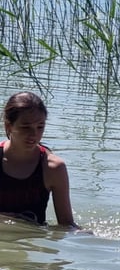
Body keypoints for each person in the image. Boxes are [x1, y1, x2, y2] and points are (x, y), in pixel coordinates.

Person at [1, 91, 78, 228]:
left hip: (34, 244)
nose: (34, 134)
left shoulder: (53, 168)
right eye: (25, 127)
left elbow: (67, 225)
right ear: (9, 126)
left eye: (40, 127)